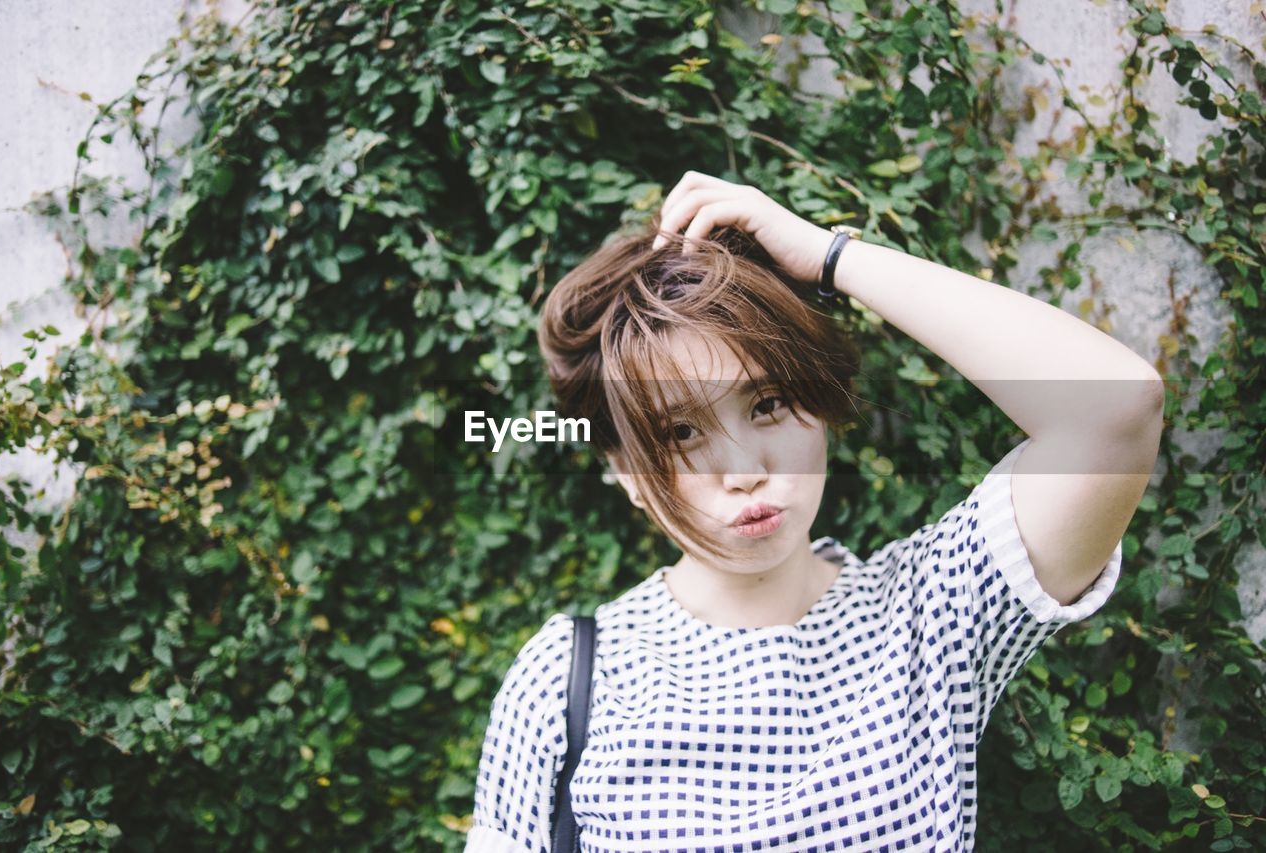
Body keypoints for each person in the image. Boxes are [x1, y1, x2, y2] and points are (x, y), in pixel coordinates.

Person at [464, 170, 1165, 851]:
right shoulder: (568, 677)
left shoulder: (928, 612)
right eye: (680, 432)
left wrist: (832, 256)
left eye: (767, 403)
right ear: (625, 469)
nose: (744, 471)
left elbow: (1115, 409)